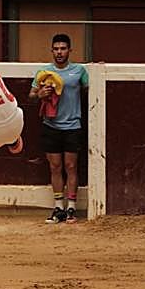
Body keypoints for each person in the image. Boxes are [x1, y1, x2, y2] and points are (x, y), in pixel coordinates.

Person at [30, 32, 89, 223]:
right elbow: (31, 94)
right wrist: (40, 93)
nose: (59, 52)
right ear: (51, 51)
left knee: (71, 166)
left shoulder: (79, 71)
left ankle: (71, 208)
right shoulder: (43, 72)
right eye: (56, 49)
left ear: (70, 50)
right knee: (55, 167)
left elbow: (91, 90)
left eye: (63, 48)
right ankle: (58, 207)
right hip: (51, 124)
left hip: (73, 125)